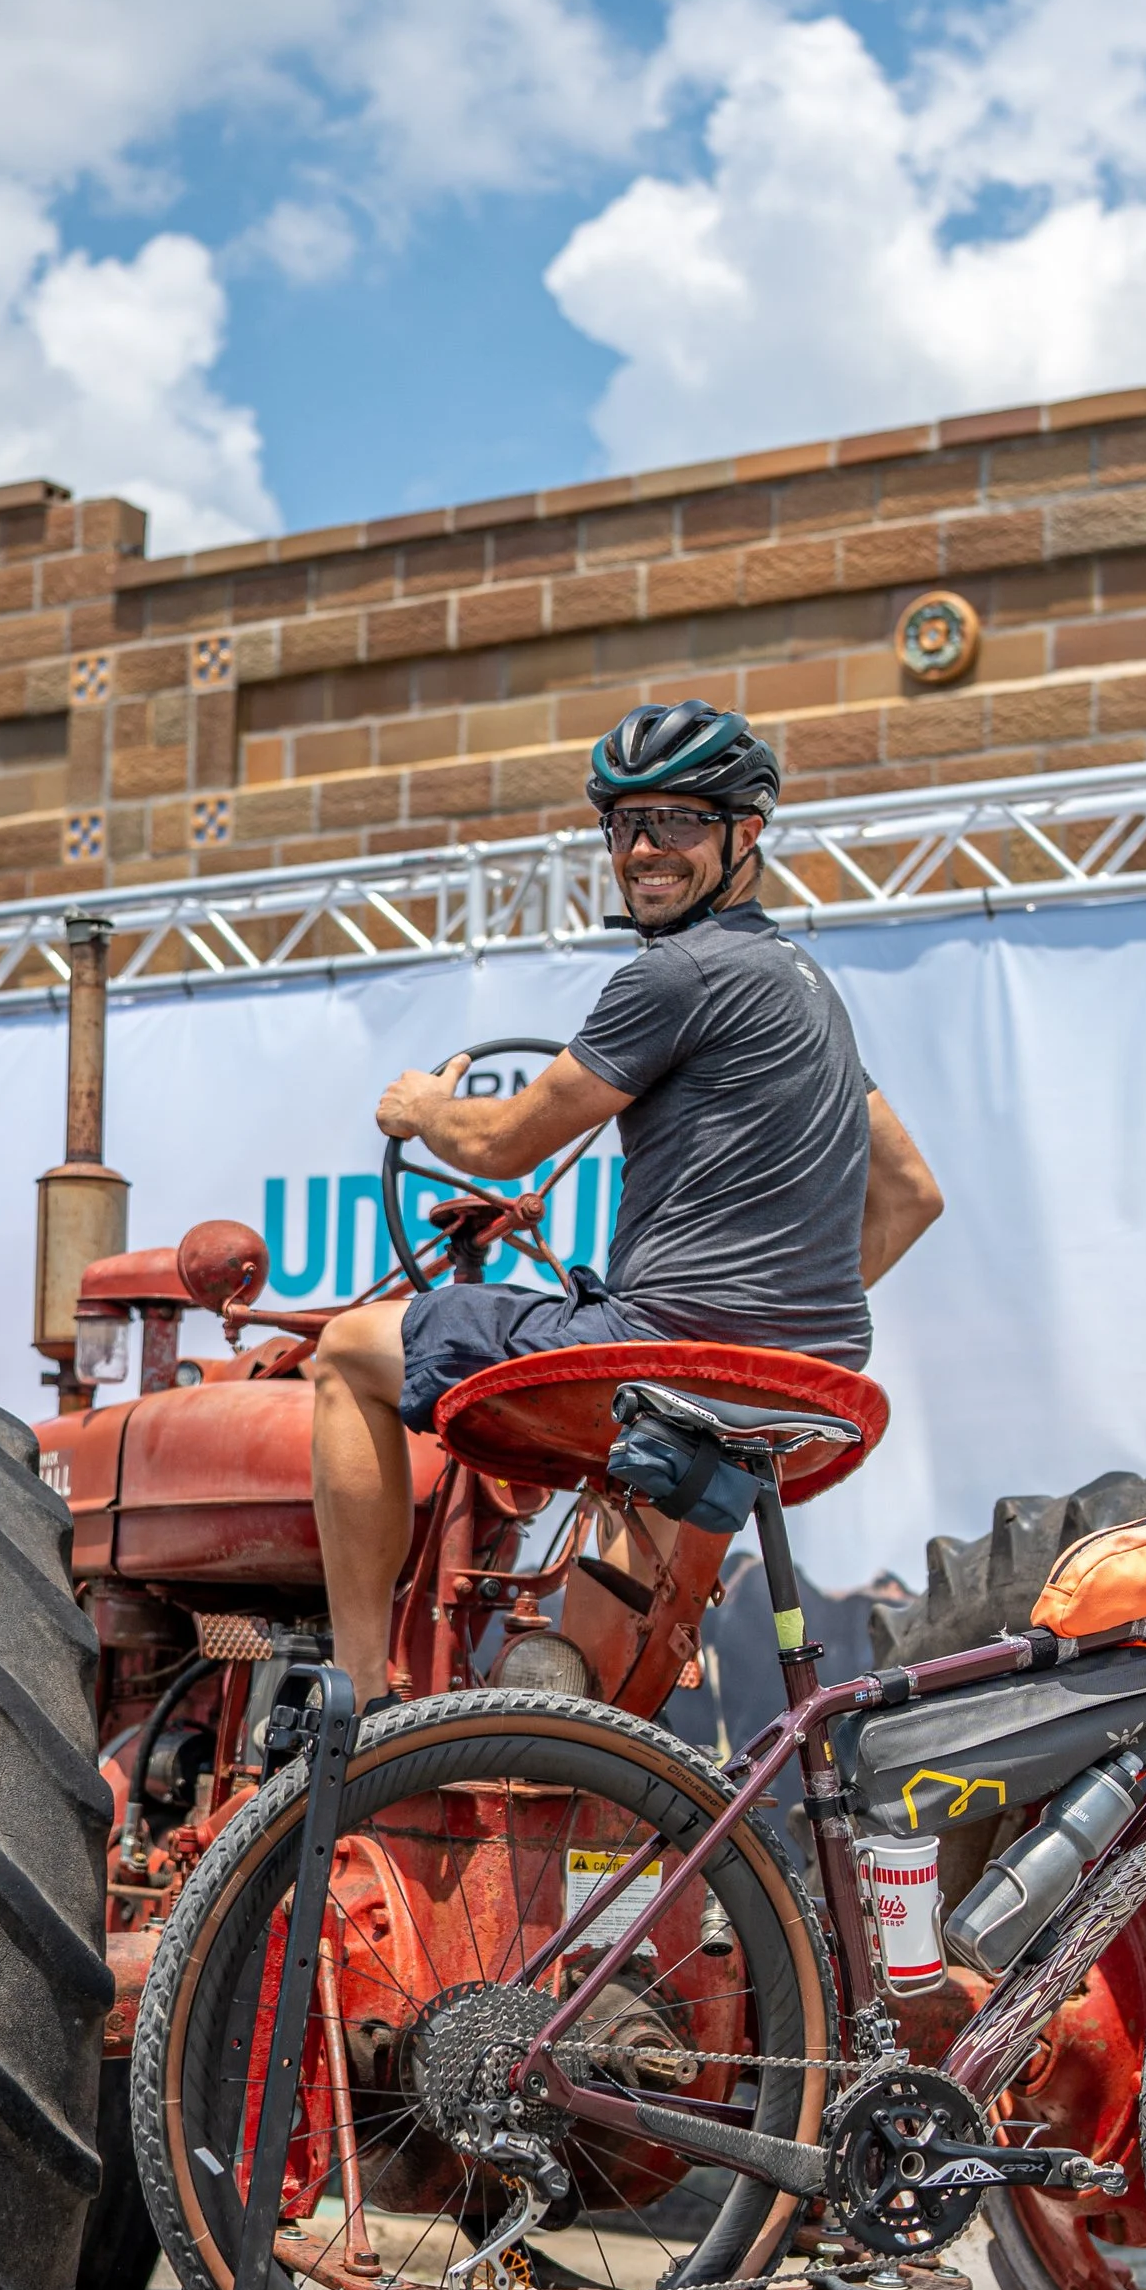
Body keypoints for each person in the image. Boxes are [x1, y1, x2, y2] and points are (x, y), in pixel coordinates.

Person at [310, 698, 944, 1699]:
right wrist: (766, 1322)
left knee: (347, 1353)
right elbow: (912, 1195)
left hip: (664, 1351)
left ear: (747, 834)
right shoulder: (806, 988)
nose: (644, 848)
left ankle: (355, 1691)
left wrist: (424, 1110)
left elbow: (502, 1143)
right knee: (595, 1683)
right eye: (623, 823)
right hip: (798, 1376)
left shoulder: (678, 976)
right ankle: (584, 1762)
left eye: (680, 820)